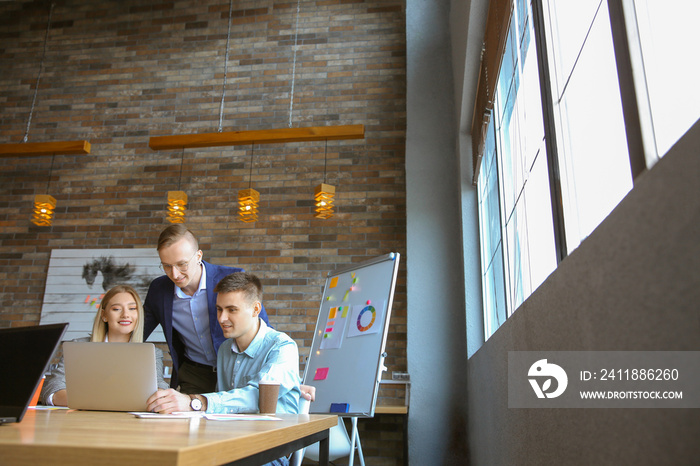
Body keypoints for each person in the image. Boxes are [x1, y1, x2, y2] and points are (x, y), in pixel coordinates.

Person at [143, 225, 315, 402]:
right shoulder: (159, 290)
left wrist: (283, 382)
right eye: (167, 266)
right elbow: (136, 330)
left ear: (199, 256)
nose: (175, 274)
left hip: (238, 370)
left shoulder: (230, 278)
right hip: (194, 374)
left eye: (182, 264)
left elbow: (261, 333)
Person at [146, 272, 301, 414]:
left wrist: (196, 402)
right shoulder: (225, 349)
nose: (221, 318)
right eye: (219, 309)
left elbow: (258, 396)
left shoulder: (283, 347)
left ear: (255, 309)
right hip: (235, 436)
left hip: (276, 439)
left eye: (232, 310)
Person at [40, 284, 169, 406]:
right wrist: (91, 401)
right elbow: (52, 388)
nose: (125, 315)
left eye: (132, 308)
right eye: (116, 309)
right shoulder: (79, 347)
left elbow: (161, 388)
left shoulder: (151, 353)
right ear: (104, 315)